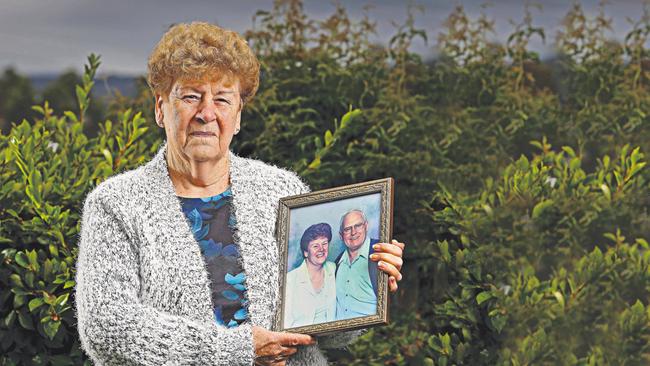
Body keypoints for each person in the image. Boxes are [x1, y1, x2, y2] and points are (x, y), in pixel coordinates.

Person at [74, 22, 405, 366]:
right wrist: (236, 349)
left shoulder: (282, 192)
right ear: (160, 108)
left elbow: (325, 329)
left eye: (222, 99)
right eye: (190, 96)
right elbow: (107, 328)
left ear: (238, 115)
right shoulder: (117, 204)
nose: (207, 113)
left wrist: (370, 281)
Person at [335, 209, 386, 320]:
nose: (353, 232)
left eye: (358, 225)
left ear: (366, 226)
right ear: (341, 235)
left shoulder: (382, 251)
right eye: (347, 229)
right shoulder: (335, 264)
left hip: (371, 333)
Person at [284, 223, 336, 328]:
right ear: (306, 253)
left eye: (324, 243)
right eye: (315, 246)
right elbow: (286, 323)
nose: (321, 249)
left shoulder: (333, 268)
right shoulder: (290, 280)